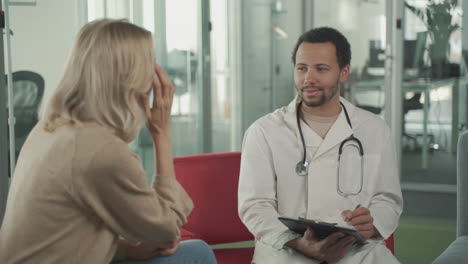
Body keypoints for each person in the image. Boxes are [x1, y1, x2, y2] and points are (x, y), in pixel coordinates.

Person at [0, 19, 216, 264]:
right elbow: (165, 228)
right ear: (131, 77)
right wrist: (161, 134)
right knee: (198, 254)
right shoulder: (100, 150)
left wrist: (125, 250)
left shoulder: (50, 128)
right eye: (149, 62)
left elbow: (64, 238)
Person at [238, 27, 403, 263]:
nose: (309, 78)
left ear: (344, 72)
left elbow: (388, 199)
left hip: (356, 253)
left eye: (321, 69)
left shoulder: (374, 129)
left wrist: (372, 222)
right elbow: (255, 205)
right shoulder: (263, 132)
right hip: (287, 250)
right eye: (302, 68)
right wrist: (298, 243)